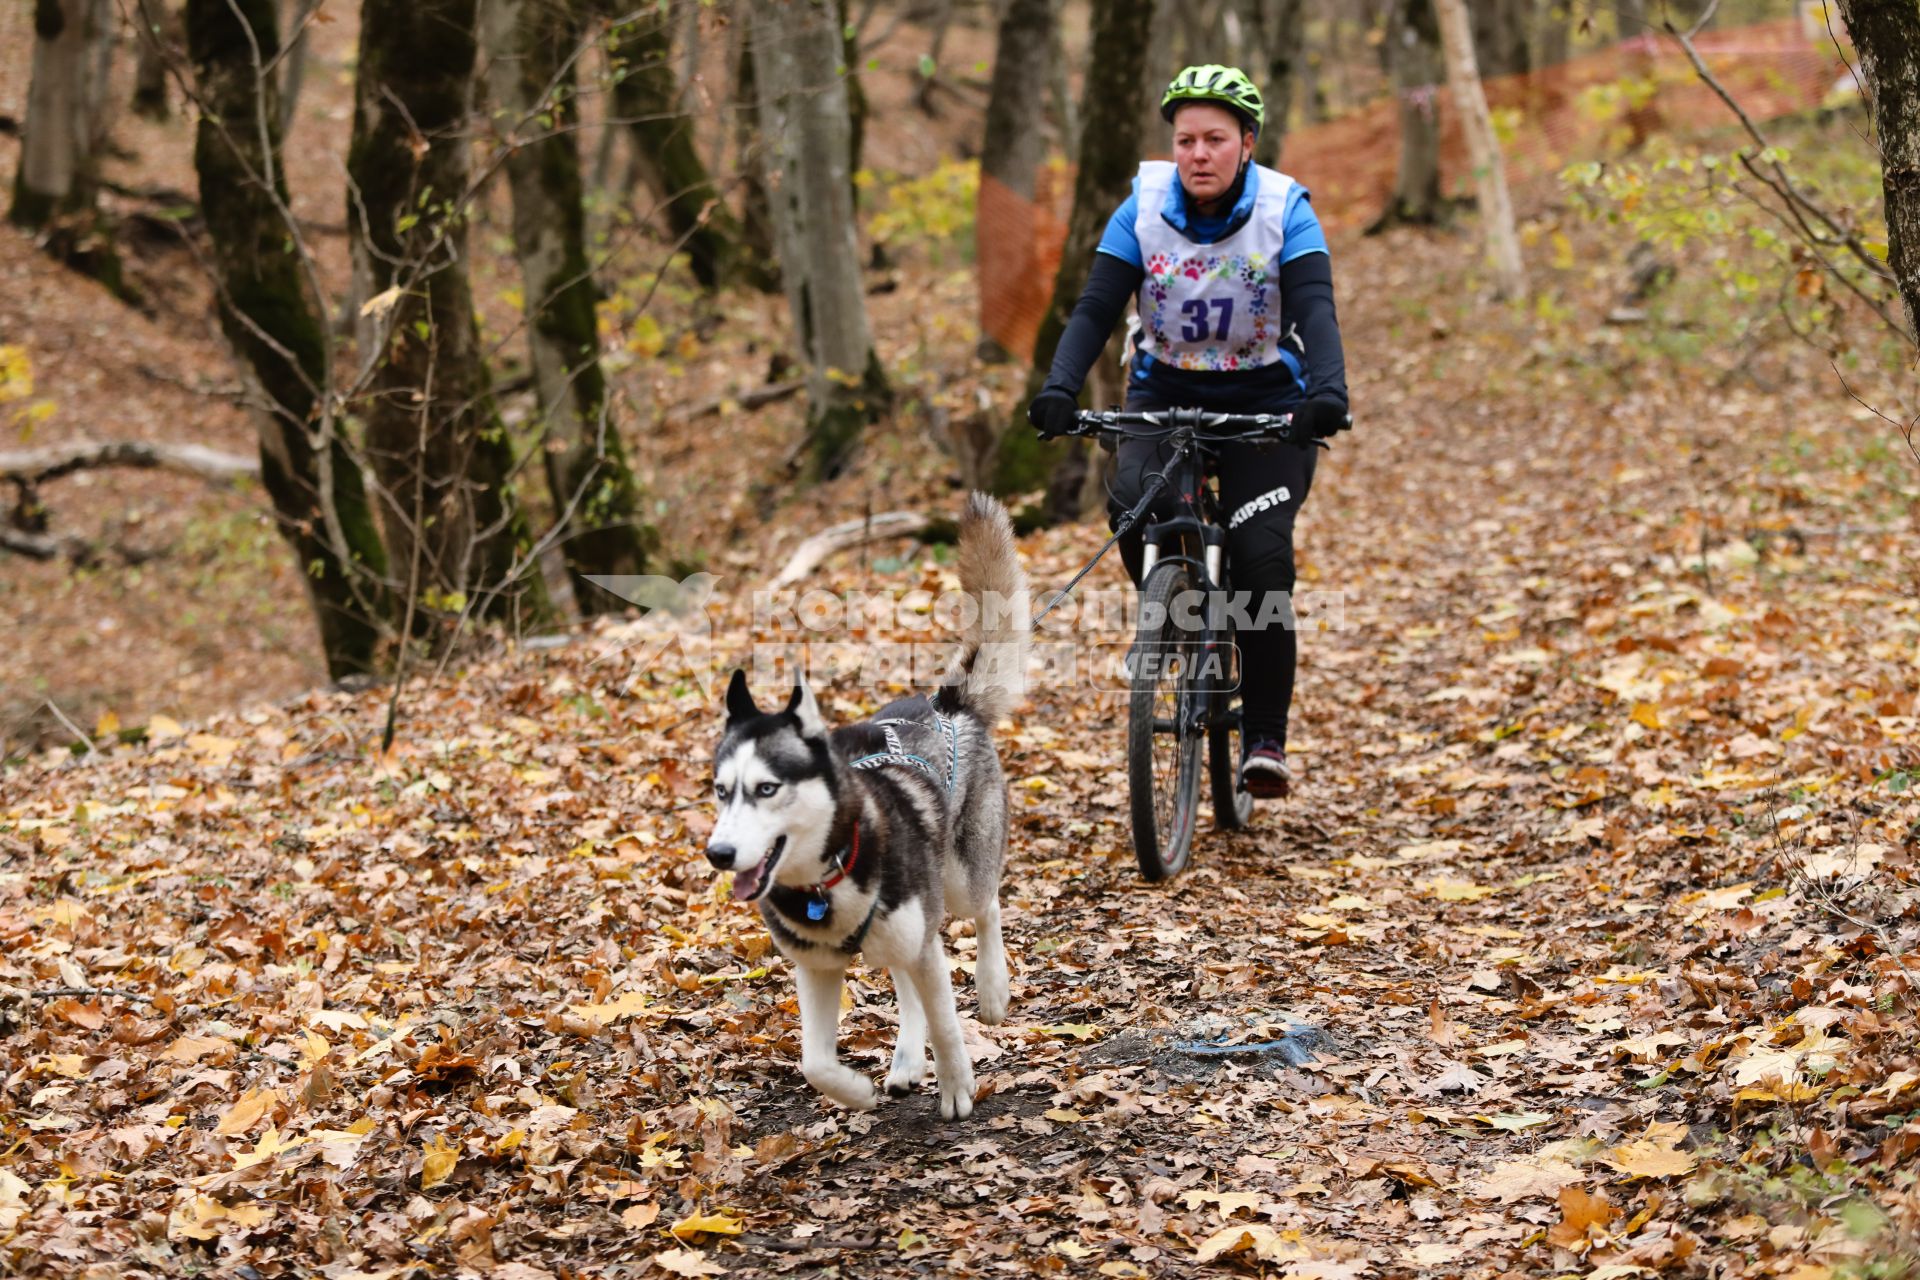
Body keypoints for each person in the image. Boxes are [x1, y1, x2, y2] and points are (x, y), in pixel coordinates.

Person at [1027, 64, 1349, 800]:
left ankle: (1264, 735)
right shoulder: (1139, 210)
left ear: (1247, 142)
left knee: (1263, 566)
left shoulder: (1283, 209)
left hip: (1268, 407)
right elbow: (1095, 310)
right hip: (1163, 398)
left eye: (1214, 139)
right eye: (1185, 140)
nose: (1198, 154)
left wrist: (1328, 393)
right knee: (1137, 513)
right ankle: (1182, 617)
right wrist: (1058, 388)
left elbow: (1316, 308)